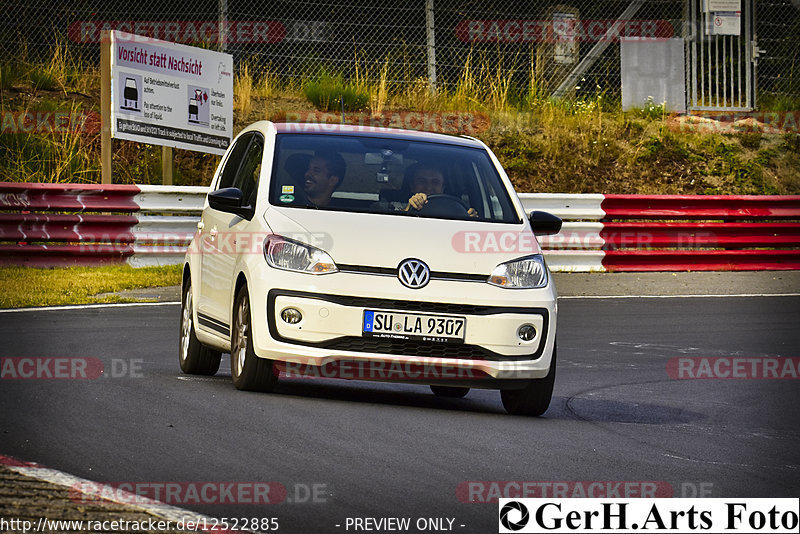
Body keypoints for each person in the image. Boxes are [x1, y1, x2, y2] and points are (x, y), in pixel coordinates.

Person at [404, 165, 478, 217]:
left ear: (442, 188)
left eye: (435, 182)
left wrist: (469, 218)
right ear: (412, 187)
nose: (428, 187)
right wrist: (407, 210)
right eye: (422, 181)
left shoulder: (455, 210)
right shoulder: (394, 207)